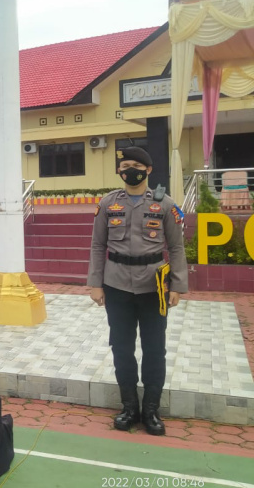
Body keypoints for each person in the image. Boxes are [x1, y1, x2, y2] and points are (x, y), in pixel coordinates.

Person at [87, 147, 188, 436]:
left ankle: (151, 411)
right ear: (119, 171)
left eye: (136, 165)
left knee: (155, 349)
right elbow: (97, 245)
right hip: (116, 285)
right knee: (121, 347)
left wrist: (177, 285)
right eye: (125, 165)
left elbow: (176, 247)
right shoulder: (108, 203)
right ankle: (129, 407)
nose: (130, 170)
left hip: (153, 287)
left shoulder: (165, 204)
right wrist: (95, 283)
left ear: (148, 170)